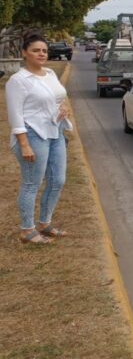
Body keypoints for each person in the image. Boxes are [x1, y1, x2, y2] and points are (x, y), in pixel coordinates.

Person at [6, 33, 72, 245]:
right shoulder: (18, 80)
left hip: (55, 132)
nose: (41, 54)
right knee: (31, 183)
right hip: (32, 134)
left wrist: (63, 108)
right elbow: (15, 115)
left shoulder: (51, 73)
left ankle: (45, 223)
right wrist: (24, 145)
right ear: (25, 53)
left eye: (44, 50)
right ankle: (27, 229)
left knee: (58, 180)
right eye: (36, 50)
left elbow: (58, 97)